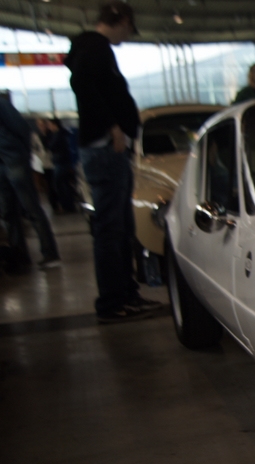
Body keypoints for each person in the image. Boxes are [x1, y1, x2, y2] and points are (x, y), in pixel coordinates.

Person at [66, 1, 160, 322]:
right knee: (110, 228)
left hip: (108, 150)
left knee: (121, 227)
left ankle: (126, 295)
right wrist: (112, 127)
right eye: (129, 30)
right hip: (105, 149)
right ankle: (112, 302)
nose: (128, 37)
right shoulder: (94, 47)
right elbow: (82, 84)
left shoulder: (93, 48)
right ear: (122, 21)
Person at [0, 94, 61, 273]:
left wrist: (22, 154)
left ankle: (49, 252)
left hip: (14, 160)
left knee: (31, 207)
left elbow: (21, 128)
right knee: (7, 212)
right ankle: (19, 256)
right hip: (4, 163)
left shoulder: (2, 105)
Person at [45, 118, 77, 214]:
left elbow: (51, 146)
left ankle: (66, 206)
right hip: (64, 162)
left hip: (61, 162)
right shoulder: (64, 133)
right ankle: (69, 205)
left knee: (60, 185)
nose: (48, 127)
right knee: (65, 184)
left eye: (49, 124)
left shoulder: (58, 135)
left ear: (54, 124)